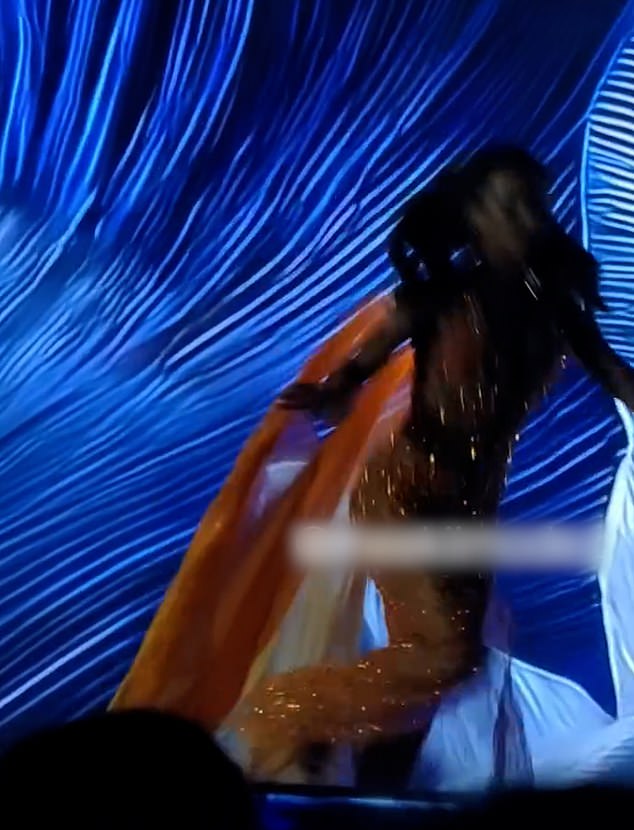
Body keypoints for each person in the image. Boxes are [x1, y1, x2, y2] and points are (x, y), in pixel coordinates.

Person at [111, 145, 634, 789]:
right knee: (440, 656)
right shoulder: (441, 300)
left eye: (534, 204)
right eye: (508, 205)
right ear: (474, 218)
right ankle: (278, 718)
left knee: (455, 664)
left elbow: (615, 376)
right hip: (404, 494)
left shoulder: (552, 308)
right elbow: (360, 368)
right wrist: (330, 395)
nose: (526, 218)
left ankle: (378, 782)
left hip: (471, 510)